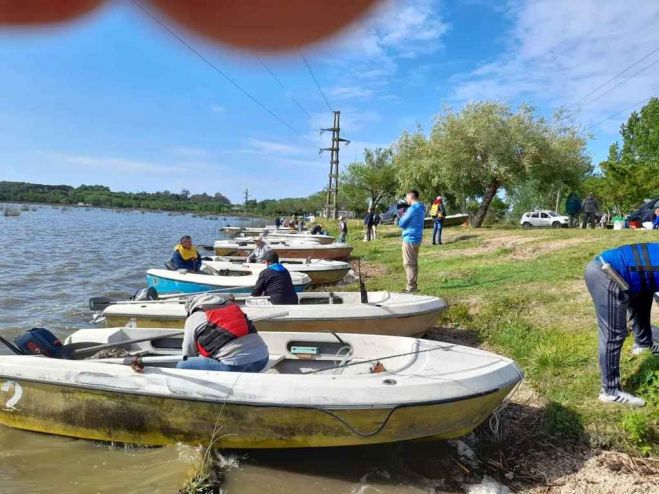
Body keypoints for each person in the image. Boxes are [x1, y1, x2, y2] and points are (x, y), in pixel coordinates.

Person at [584, 243, 659, 407]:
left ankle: (643, 344)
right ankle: (610, 391)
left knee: (643, 300)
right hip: (607, 273)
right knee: (614, 333)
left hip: (631, 276)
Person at [176, 294, 269, 372]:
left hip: (235, 366)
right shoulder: (233, 307)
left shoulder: (195, 316)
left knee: (182, 365)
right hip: (263, 360)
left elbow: (188, 352)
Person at [398, 190, 425, 293]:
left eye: (406, 198)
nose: (406, 200)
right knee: (413, 262)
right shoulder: (422, 208)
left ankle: (411, 288)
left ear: (410, 197)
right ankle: (413, 285)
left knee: (408, 263)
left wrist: (402, 215)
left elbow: (401, 223)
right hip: (417, 238)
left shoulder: (412, 209)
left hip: (409, 238)